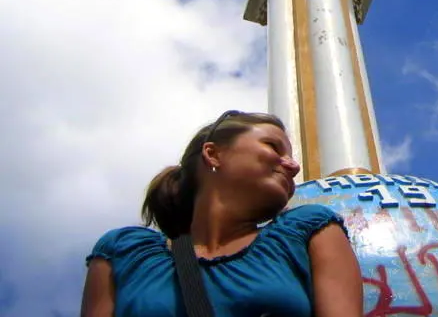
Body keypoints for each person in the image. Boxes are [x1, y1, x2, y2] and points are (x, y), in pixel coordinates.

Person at [81, 110, 363, 317]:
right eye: (272, 146)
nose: (293, 166)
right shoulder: (125, 253)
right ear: (213, 154)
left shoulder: (307, 231)